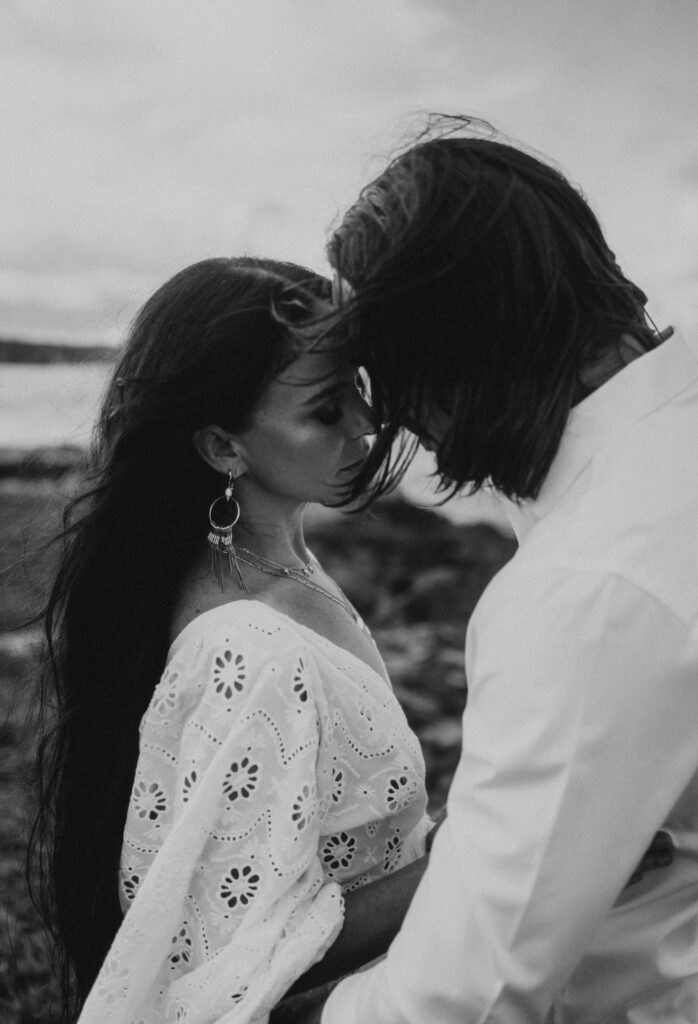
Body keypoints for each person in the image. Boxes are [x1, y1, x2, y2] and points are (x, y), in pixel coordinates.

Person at [287, 119, 698, 1023]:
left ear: (454, 353)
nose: (392, 420)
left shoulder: (585, 589)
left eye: (386, 373)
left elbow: (465, 1000)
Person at [29, 256, 439, 1024]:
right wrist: (469, 863)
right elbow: (234, 958)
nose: (366, 421)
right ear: (224, 448)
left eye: (357, 383)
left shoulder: (280, 564)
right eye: (324, 409)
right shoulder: (251, 650)